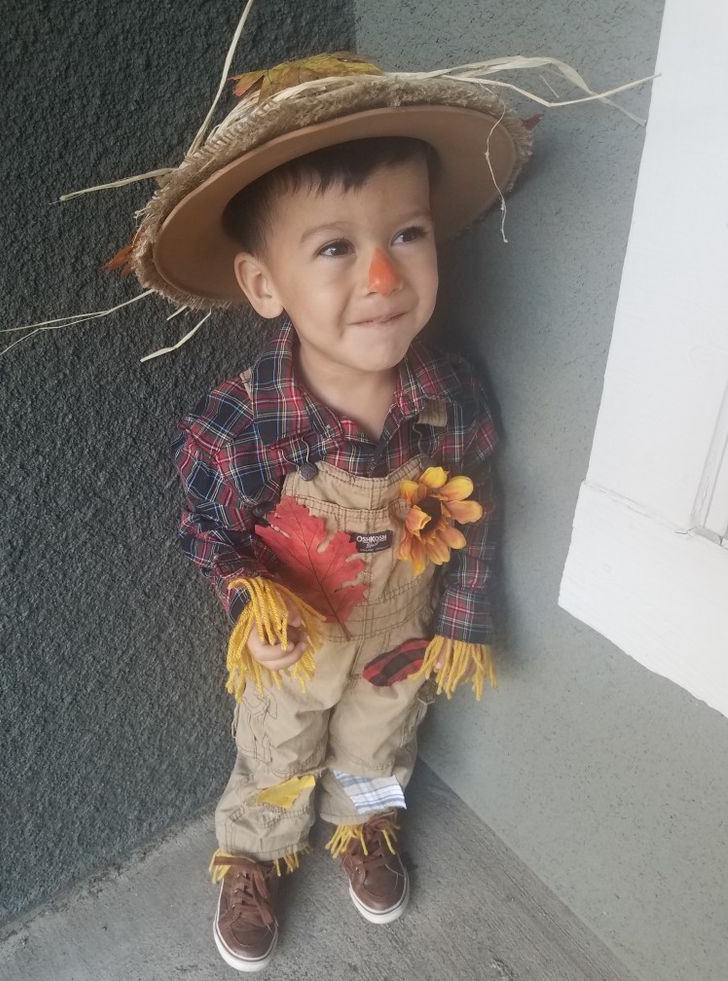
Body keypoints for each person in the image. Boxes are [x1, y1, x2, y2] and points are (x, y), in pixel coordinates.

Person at [162, 50, 532, 973]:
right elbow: (208, 527)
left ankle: (362, 821)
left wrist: (462, 616)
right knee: (276, 743)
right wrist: (252, 601)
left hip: (400, 630)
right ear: (263, 284)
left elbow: (479, 503)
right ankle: (252, 851)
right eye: (335, 248)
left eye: (406, 234)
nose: (380, 278)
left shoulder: (449, 393)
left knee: (383, 733)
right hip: (298, 644)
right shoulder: (244, 421)